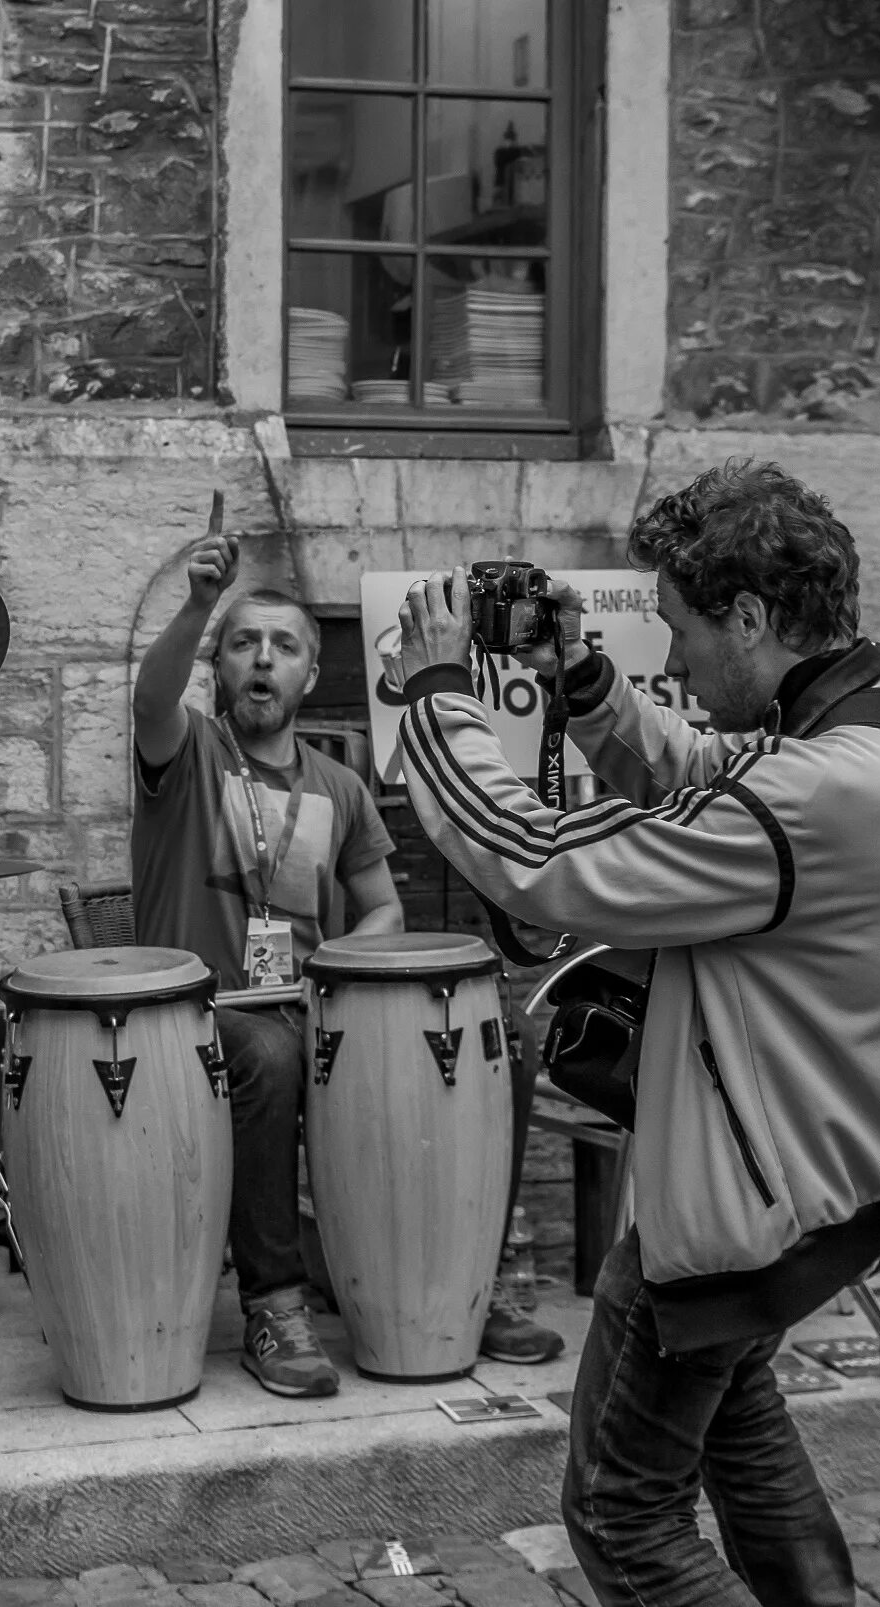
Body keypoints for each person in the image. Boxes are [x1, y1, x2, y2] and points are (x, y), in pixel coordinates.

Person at [392, 461, 880, 1607]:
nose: (668, 657)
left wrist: (433, 700)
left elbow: (548, 865)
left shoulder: (818, 792)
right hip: (836, 1171)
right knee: (743, 1435)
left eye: (676, 628)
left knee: (624, 1517)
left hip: (739, 1208)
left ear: (751, 618)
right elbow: (727, 781)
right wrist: (587, 685)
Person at [130, 532, 564, 1396]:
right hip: (202, 1015)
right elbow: (149, 700)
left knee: (493, 1044)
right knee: (267, 1052)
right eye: (244, 644)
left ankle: (458, 1284)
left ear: (309, 673)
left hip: (316, 1007)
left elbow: (384, 908)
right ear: (220, 669)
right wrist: (194, 608)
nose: (262, 659)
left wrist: (339, 965)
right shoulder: (187, 753)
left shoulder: (341, 787)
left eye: (284, 646)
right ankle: (275, 1303)